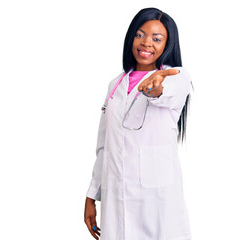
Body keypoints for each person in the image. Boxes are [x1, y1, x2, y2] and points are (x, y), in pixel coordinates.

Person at [84, 7, 193, 240]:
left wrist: (156, 88)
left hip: (157, 201)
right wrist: (92, 195)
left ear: (167, 44)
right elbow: (104, 146)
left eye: (157, 39)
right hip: (116, 197)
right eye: (140, 34)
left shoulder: (176, 76)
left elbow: (165, 91)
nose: (146, 43)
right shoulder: (115, 85)